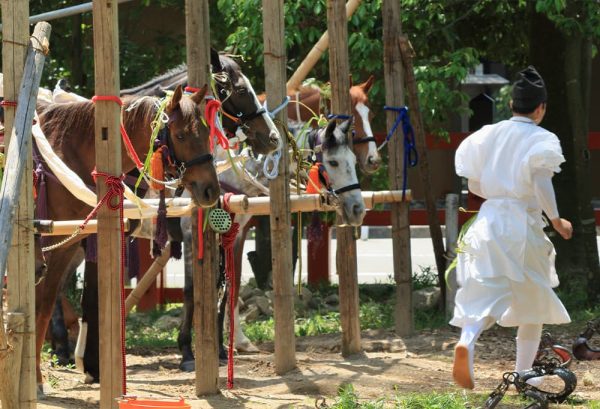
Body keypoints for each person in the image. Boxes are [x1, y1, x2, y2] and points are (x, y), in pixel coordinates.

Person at [450, 65, 573, 390]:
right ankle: (522, 375)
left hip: (488, 220)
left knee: (481, 290)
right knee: (533, 301)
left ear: (511, 105)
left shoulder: (486, 135)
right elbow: (541, 182)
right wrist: (557, 219)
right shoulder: (543, 138)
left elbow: (474, 182)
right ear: (541, 107)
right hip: (522, 222)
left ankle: (467, 340)